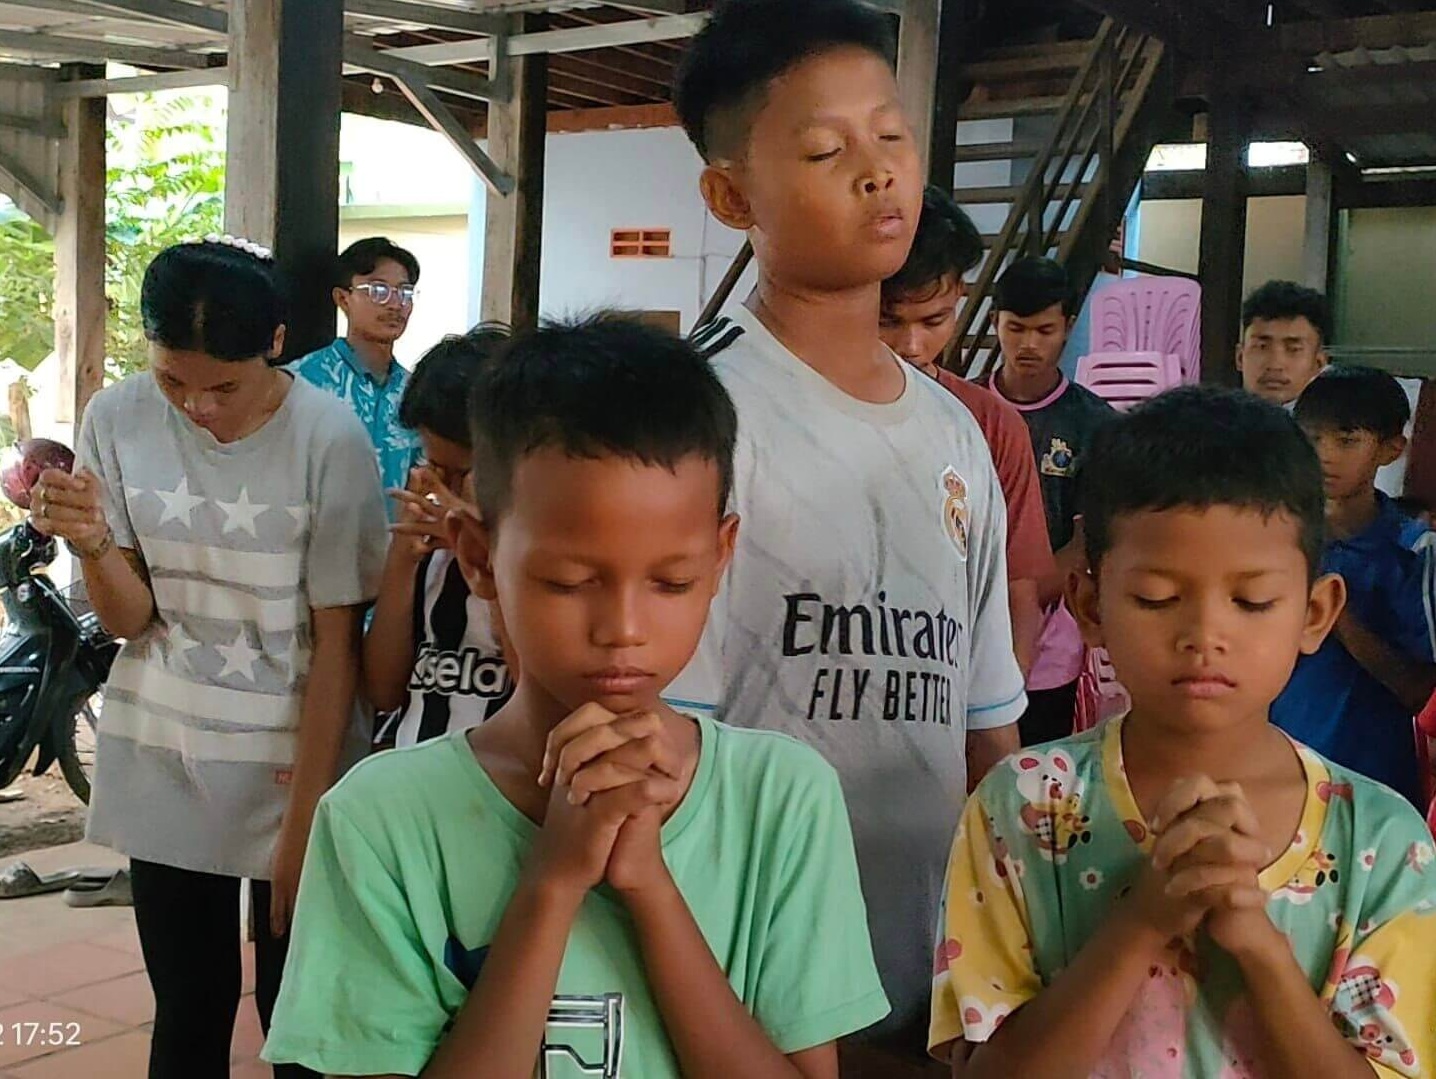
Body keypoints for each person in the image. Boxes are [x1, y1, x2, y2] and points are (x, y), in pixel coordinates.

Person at [263, 315, 890, 1076]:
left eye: (672, 581)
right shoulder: (378, 821)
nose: (624, 629)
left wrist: (650, 886)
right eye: (570, 581)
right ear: (480, 558)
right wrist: (552, 881)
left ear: (722, 555)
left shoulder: (782, 799)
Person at [669, 1, 1027, 1071]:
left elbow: (985, 723)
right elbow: (659, 734)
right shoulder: (694, 416)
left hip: (926, 969)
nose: (877, 173)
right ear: (732, 194)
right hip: (746, 973)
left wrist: (1007, 940)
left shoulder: (955, 430)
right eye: (827, 150)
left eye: (892, 138)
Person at [931, 386, 1436, 1077]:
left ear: (1316, 612)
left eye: (1252, 601)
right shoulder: (1023, 804)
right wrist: (1141, 922)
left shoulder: (1380, 838)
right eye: (1157, 599)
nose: (1205, 635)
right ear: (1089, 603)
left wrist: (1258, 946)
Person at [29, 238, 387, 1078]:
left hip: (290, 762)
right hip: (168, 751)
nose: (196, 406)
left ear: (274, 340)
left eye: (222, 385)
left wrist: (306, 822)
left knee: (294, 1018)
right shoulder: (115, 417)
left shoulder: (327, 435)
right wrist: (91, 544)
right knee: (187, 1007)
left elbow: (337, 641)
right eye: (172, 380)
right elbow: (131, 618)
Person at [881, 184, 1055, 679]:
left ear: (961, 294)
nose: (912, 346)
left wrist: (1002, 709)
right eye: (887, 322)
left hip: (951, 688)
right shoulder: (809, 411)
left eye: (935, 319)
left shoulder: (990, 425)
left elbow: (1019, 586)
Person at [1272, 366, 1436, 807]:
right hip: (1276, 770)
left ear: (1390, 449)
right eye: (1312, 439)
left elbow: (1421, 692)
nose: (1325, 455)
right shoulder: (1273, 539)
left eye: (1347, 441)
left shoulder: (1412, 553)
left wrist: (1338, 618)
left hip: (1374, 784)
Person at [979, 256, 1115, 746]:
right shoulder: (960, 409)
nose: (1028, 344)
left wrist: (1018, 603)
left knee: (1035, 779)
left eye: (1044, 329)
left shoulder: (1095, 424)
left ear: (1069, 327)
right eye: (1015, 328)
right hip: (963, 633)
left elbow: (1086, 543)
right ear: (996, 323)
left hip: (1051, 646)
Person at [365, 327, 517, 749]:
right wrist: (401, 556)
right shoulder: (430, 554)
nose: (440, 489)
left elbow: (535, 681)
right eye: (434, 468)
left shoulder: (541, 559)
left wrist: (482, 554)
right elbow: (384, 689)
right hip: (417, 777)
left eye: (462, 475)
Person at [290, 237, 423, 506]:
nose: (395, 304)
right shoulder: (301, 381)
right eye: (378, 290)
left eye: (405, 293)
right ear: (343, 298)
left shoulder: (416, 391)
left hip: (393, 544)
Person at [1236, 279, 1331, 409]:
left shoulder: (1338, 426)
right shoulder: (1210, 424)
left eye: (1293, 349)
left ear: (1319, 363)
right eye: (1262, 347)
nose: (1275, 364)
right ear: (1240, 357)